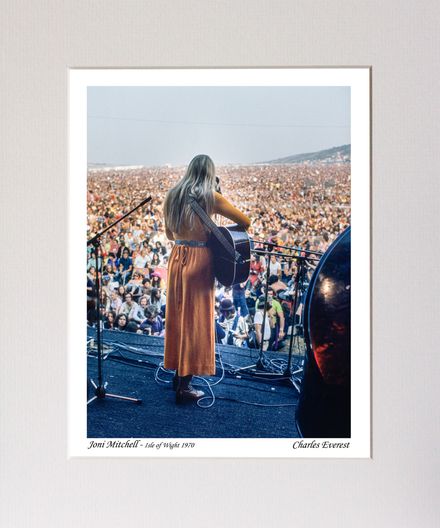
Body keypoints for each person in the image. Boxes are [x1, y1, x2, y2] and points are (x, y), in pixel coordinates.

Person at [163, 154, 251, 404]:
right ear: (210, 173)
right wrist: (218, 195)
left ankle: (177, 373)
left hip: (177, 256)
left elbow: (170, 234)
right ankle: (185, 386)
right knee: (194, 322)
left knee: (178, 319)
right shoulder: (210, 197)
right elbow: (245, 222)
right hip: (200, 259)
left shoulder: (172, 195)